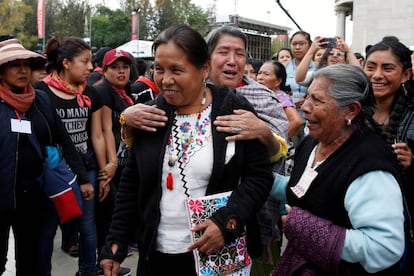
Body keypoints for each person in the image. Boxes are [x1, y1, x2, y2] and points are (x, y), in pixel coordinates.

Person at [100, 24, 274, 276]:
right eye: (159, 69)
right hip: (157, 256)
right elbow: (132, 183)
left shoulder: (233, 109)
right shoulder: (148, 115)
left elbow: (259, 177)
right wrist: (114, 242)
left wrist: (227, 223)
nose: (165, 79)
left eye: (177, 70)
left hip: (215, 256)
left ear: (203, 69)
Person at [271, 64, 405, 275]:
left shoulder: (369, 167)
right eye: (307, 97)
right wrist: (261, 180)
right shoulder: (310, 144)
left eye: (317, 100)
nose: (305, 106)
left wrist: (308, 229)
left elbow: (384, 247)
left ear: (351, 110)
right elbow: (308, 189)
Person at [0, 38, 90, 275]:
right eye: (13, 64)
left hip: (35, 196)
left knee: (31, 262)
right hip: (1, 197)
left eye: (26, 64)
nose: (22, 70)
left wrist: (83, 178)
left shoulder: (39, 99)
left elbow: (63, 139)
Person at [33, 37, 109, 276]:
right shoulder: (41, 92)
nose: (90, 67)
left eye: (91, 62)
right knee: (47, 228)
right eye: (84, 61)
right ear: (66, 63)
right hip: (54, 173)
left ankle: (87, 271)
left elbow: (97, 135)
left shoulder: (91, 95)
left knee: (87, 226)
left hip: (87, 169)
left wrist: (107, 168)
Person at [363, 36, 414, 274]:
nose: (377, 75)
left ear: (406, 74)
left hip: (403, 225)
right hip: (356, 219)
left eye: (388, 68)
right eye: (371, 67)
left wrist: (412, 163)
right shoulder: (349, 110)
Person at [93, 48, 134, 275]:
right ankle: (104, 263)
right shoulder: (104, 92)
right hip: (111, 164)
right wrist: (110, 165)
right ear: (105, 70)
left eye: (125, 67)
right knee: (107, 217)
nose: (121, 72)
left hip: (121, 162)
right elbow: (105, 130)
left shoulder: (123, 92)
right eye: (115, 68)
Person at [257, 61, 303, 140]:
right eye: (259, 73)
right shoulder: (261, 94)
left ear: (278, 81)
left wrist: (277, 141)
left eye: (266, 74)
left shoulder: (281, 97)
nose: (260, 77)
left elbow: (296, 121)